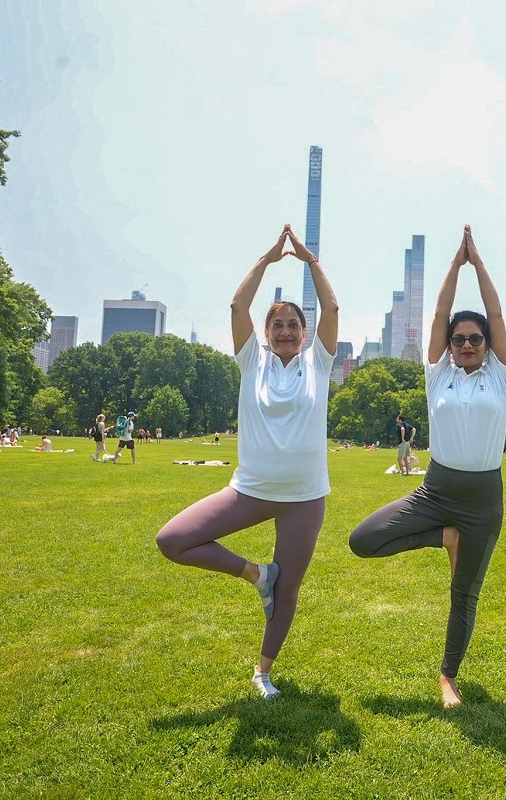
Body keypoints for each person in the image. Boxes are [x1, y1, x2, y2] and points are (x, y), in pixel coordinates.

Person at [156, 224, 338, 702]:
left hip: (304, 498)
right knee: (173, 539)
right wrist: (267, 260)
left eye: (293, 325)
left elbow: (332, 309)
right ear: (266, 333)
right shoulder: (251, 363)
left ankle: (264, 672)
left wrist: (311, 261)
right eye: (277, 325)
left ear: (305, 334)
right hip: (250, 491)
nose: (286, 332)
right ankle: (257, 574)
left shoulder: (318, 365)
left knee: (289, 590)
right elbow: (238, 306)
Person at [349, 225, 506, 709]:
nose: (466, 344)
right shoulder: (439, 376)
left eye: (475, 339)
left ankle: (448, 677)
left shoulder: (500, 377)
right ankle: (445, 536)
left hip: (482, 501)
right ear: (449, 345)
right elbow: (439, 314)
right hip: (435, 492)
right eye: (459, 339)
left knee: (464, 593)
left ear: (487, 344)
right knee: (363, 540)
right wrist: (455, 265)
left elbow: (497, 313)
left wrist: (478, 264)